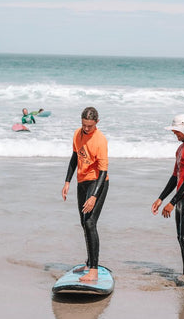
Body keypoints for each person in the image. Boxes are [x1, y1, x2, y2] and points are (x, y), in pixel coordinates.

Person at [151, 114, 184, 288]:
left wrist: (172, 203)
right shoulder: (181, 148)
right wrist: (161, 198)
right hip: (181, 196)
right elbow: (176, 177)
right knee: (180, 237)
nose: (174, 133)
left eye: (176, 131)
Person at [61, 107, 109, 281]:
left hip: (98, 182)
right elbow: (75, 157)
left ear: (97, 122)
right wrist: (67, 182)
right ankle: (89, 263)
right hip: (82, 182)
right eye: (84, 125)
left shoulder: (100, 141)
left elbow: (103, 172)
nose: (86, 129)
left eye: (90, 126)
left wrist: (94, 196)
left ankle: (94, 271)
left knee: (90, 222)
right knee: (83, 222)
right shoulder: (77, 134)